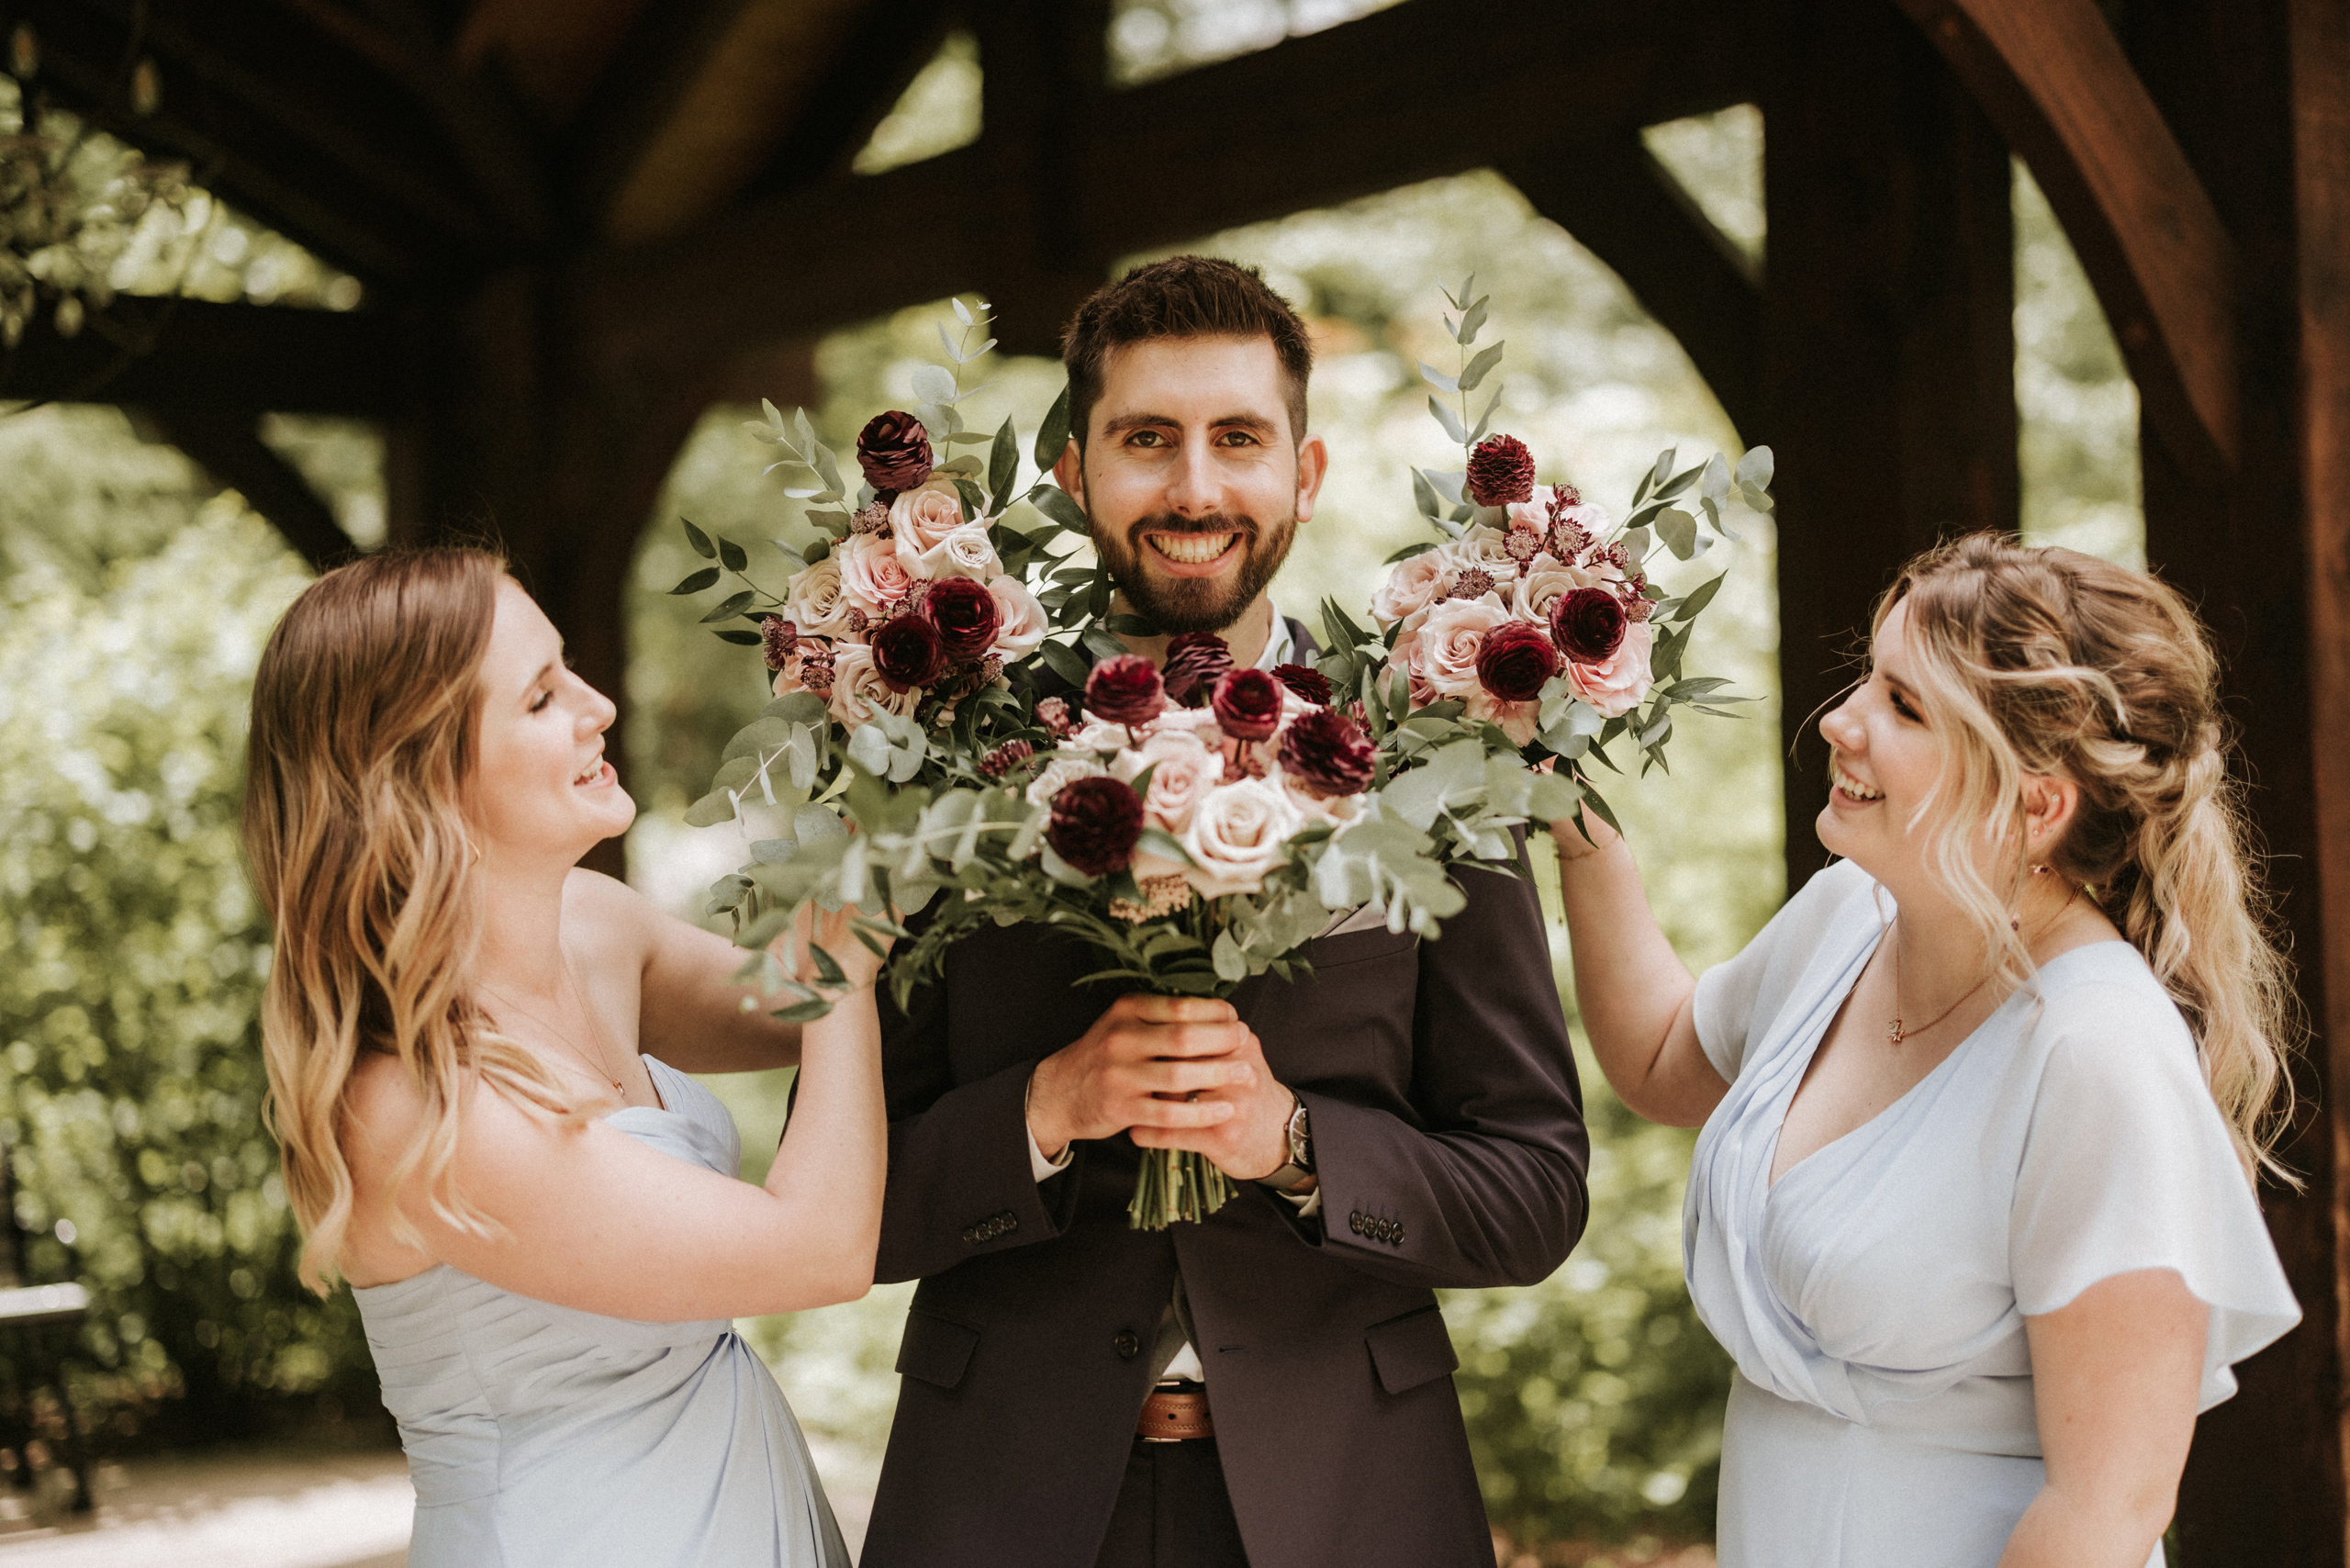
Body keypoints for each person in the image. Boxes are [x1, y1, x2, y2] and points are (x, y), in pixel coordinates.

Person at [856, 255, 1591, 1568]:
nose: (1195, 488)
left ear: (1304, 473)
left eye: (1237, 439)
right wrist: (1043, 1113)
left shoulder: (1431, 759)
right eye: (1148, 440)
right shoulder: (946, 760)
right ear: (1075, 469)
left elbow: (1534, 1193)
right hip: (996, 1502)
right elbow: (839, 1197)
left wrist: (1296, 1143)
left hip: (1351, 1503)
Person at [1551, 533, 2302, 1567]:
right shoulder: (1850, 915)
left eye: (1904, 706)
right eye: (1869, 676)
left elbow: (2108, 1510)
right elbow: (1662, 1056)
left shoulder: (2097, 1052)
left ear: (2037, 803)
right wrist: (1573, 817)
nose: (1838, 721)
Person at [243, 549, 889, 1568]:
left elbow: (836, 1017)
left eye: (570, 670)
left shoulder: (595, 928)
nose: (596, 707)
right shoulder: (414, 1103)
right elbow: (821, 1247)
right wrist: (844, 960)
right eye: (542, 698)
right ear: (419, 767)